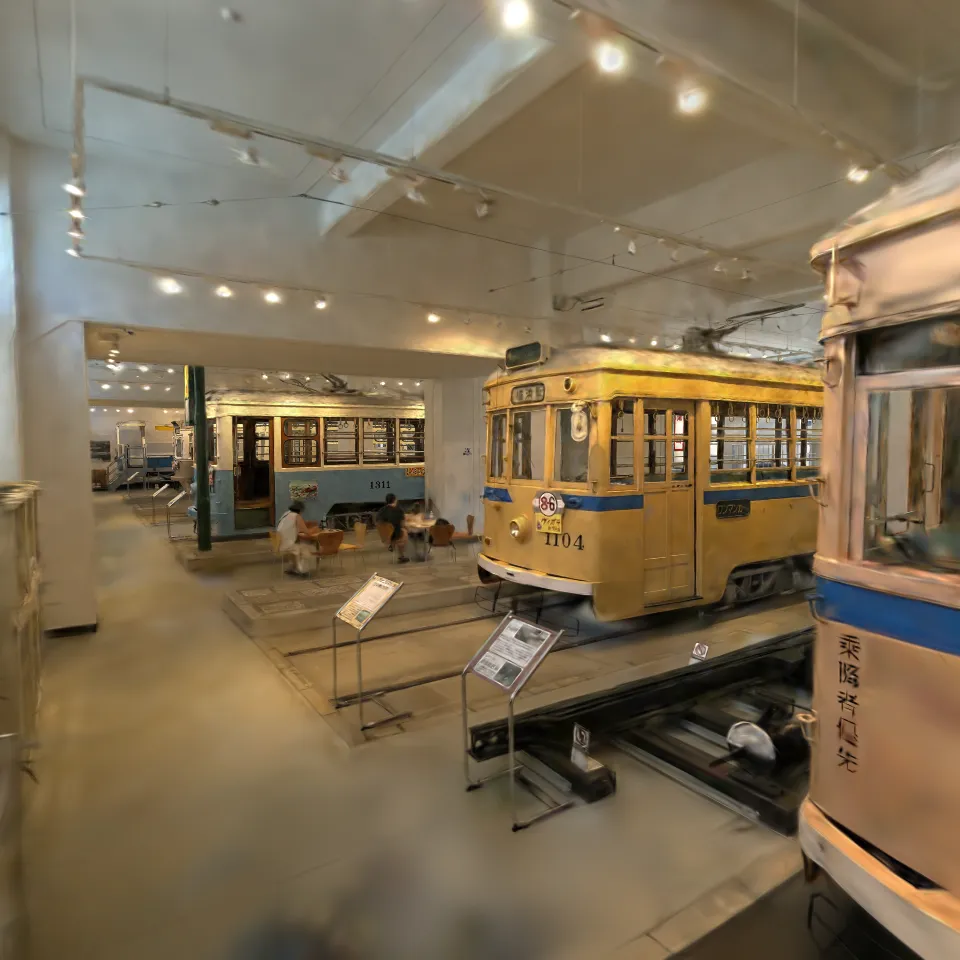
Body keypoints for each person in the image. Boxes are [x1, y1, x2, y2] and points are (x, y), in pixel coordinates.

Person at [276, 500, 318, 577]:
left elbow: (294, 528)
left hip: (279, 544)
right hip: (287, 545)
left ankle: (293, 568)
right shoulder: (297, 516)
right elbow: (307, 532)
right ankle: (302, 570)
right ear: (301, 510)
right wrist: (315, 529)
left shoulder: (286, 514)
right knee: (307, 548)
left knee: (298, 546)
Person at [375, 494, 409, 563]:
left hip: (385, 535)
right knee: (404, 532)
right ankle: (401, 556)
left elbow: (377, 522)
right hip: (396, 534)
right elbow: (403, 524)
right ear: (395, 500)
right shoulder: (399, 510)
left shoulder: (381, 510)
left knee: (397, 531)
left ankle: (392, 545)